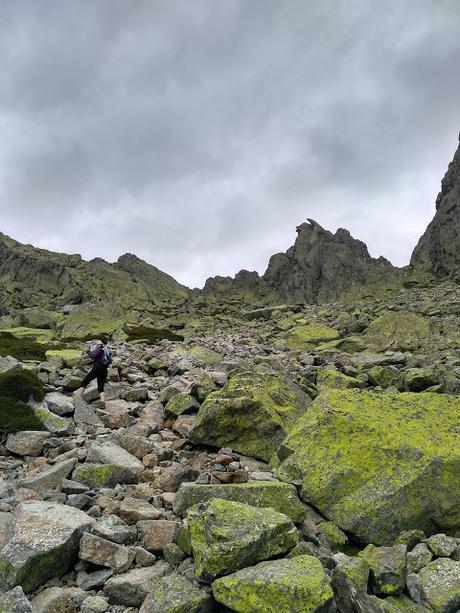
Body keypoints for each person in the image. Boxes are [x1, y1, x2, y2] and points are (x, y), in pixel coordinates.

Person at [74, 338, 112, 405]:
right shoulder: (108, 350)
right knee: (100, 387)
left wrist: (88, 351)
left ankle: (77, 398)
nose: (97, 341)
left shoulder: (100, 348)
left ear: (100, 342)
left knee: (85, 382)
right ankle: (103, 402)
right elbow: (110, 361)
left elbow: (93, 356)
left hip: (97, 368)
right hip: (104, 370)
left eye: (98, 340)